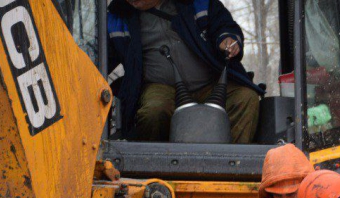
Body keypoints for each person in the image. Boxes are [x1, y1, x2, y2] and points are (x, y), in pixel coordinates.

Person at [107, 0, 262, 142]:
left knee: (246, 98)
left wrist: (227, 39)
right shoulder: (116, 19)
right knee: (154, 110)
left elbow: (225, 26)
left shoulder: (199, 4)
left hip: (211, 84)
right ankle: (153, 166)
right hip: (160, 86)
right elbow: (101, 57)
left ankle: (231, 164)